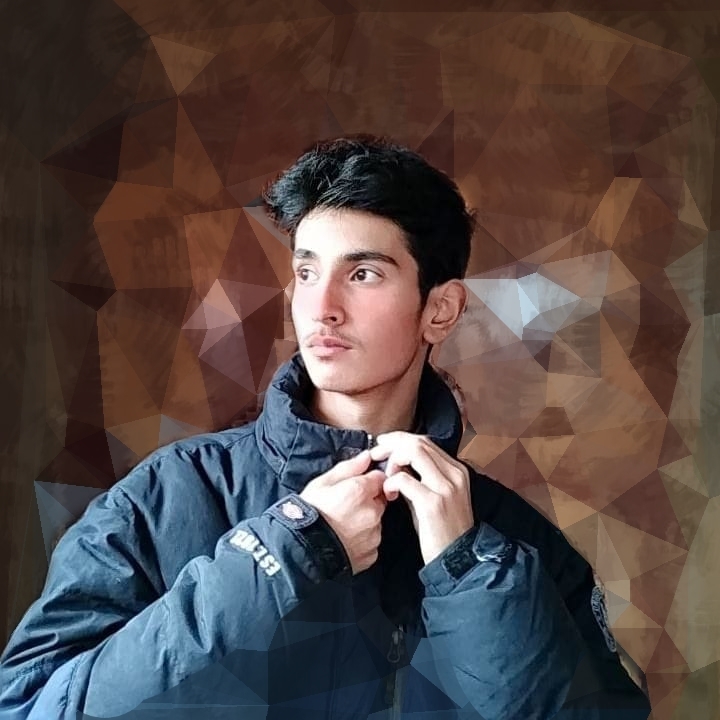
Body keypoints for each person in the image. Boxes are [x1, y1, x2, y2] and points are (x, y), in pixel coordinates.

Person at [0, 136, 651, 719]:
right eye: (307, 271)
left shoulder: (516, 542)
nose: (322, 306)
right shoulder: (164, 498)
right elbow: (32, 707)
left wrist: (470, 573)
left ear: (440, 310)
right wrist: (284, 554)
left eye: (362, 274)